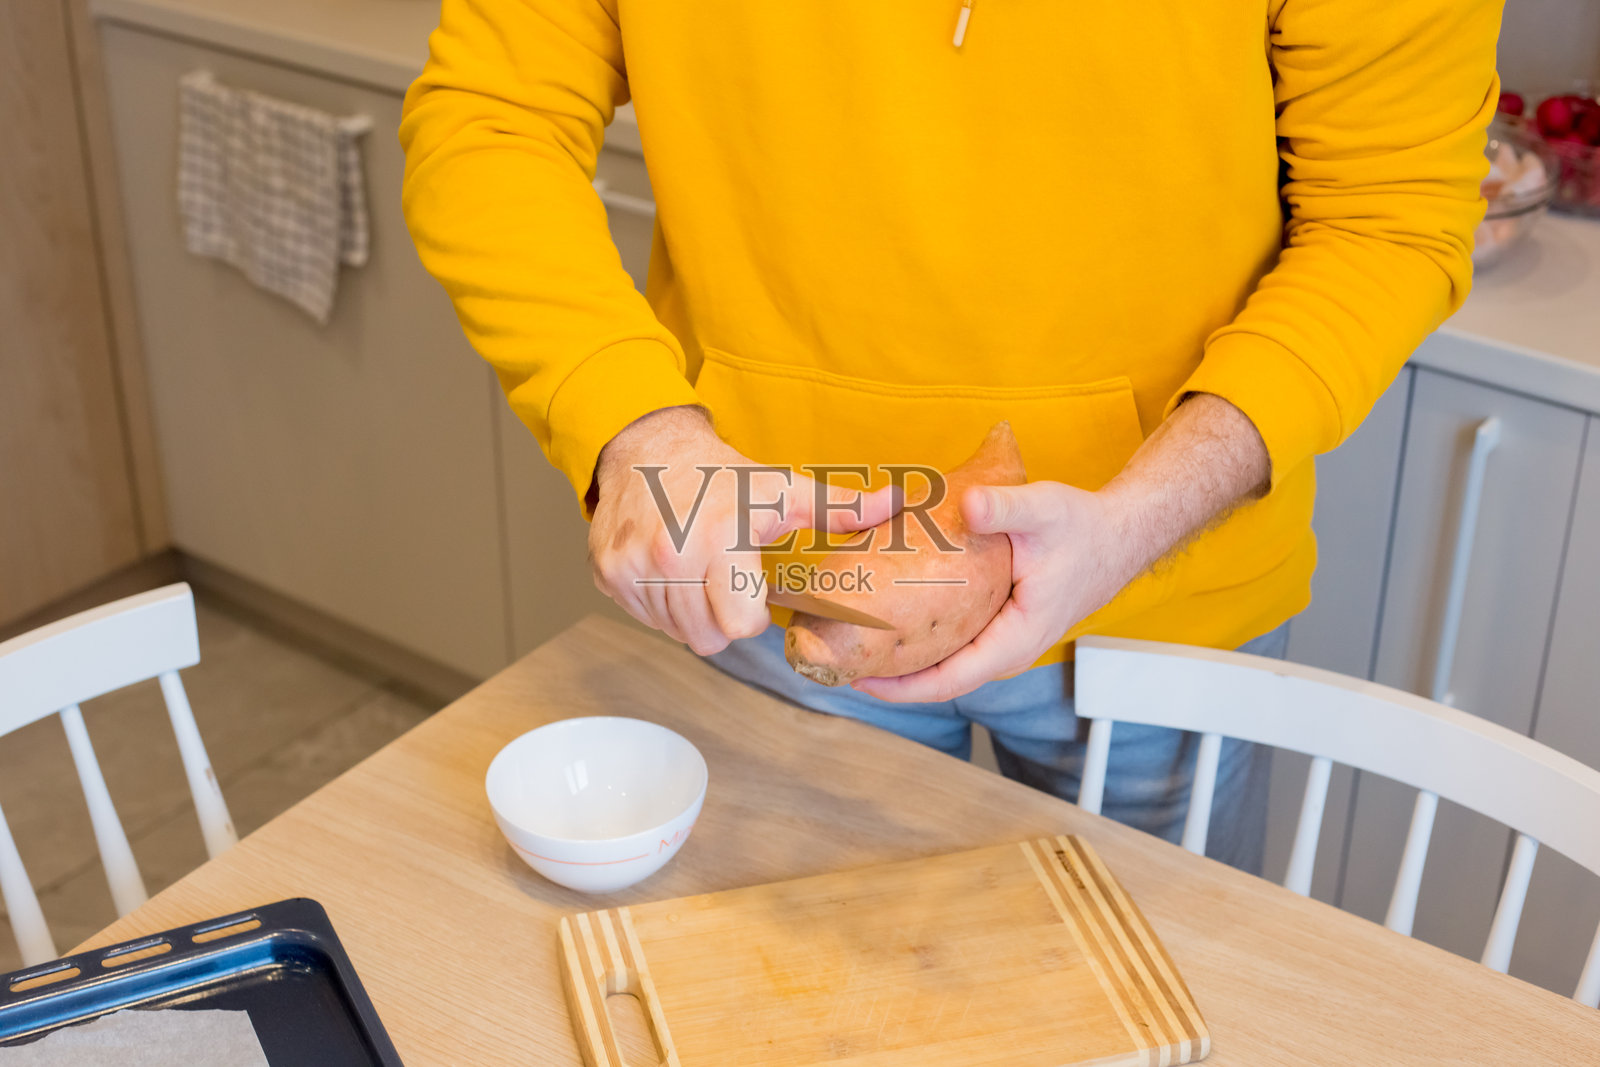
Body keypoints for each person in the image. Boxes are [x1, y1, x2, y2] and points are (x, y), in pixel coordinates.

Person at [399, 0, 1501, 873]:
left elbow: (1387, 215)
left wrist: (1136, 519)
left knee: (1142, 1023)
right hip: (780, 580)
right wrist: (633, 424)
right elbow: (491, 117)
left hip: (1156, 601)